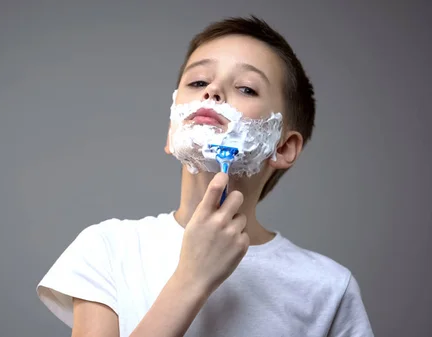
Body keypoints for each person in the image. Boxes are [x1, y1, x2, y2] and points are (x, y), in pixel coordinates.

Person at [37, 16, 374, 337]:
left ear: (283, 147)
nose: (212, 91)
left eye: (246, 88)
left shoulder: (328, 286)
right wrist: (191, 280)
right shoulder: (109, 249)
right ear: (172, 130)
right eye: (198, 82)